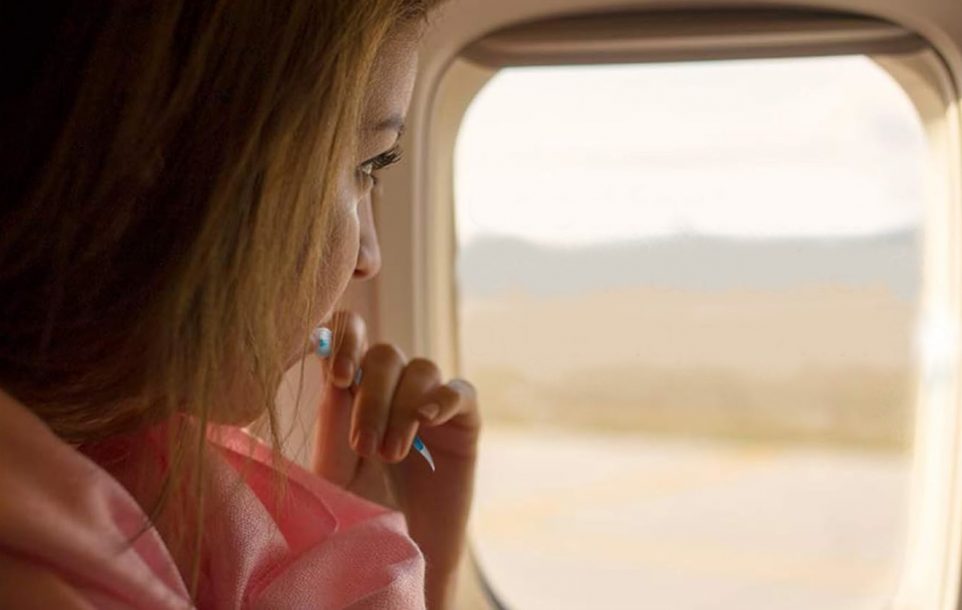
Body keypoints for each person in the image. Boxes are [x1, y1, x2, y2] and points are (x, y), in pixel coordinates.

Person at [0, 2, 479, 609]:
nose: (369, 256)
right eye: (364, 168)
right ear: (187, 164)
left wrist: (404, 547)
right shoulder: (46, 577)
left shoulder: (147, 479)